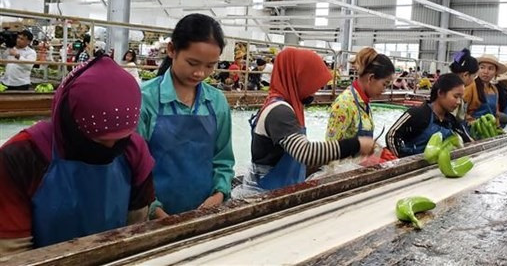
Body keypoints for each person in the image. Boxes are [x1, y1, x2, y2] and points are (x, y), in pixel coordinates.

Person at [0, 56, 155, 255]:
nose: (111, 148)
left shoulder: (134, 150)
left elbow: (136, 228)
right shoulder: (22, 157)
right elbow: (11, 252)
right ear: (69, 119)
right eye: (98, 140)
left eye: (121, 139)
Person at [232, 48, 375, 198]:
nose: (316, 90)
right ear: (299, 77)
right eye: (313, 83)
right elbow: (305, 152)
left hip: (280, 191)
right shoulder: (279, 112)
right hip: (261, 195)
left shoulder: (289, 106)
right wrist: (356, 145)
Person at [138, 14, 234, 218]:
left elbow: (223, 159)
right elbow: (134, 167)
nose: (200, 73)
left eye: (210, 66)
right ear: (172, 50)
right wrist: (155, 210)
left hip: (205, 213)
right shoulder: (145, 99)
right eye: (192, 63)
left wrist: (219, 194)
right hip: (152, 216)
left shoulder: (216, 102)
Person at [385, 73, 470, 157]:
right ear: (440, 93)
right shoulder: (418, 114)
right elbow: (391, 135)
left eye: (461, 98)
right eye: (456, 96)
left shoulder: (451, 121)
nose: (459, 102)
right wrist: (401, 160)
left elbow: (468, 142)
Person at [326, 47, 395, 141]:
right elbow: (331, 149)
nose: (384, 90)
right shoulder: (344, 104)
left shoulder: (364, 103)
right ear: (371, 78)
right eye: (384, 84)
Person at [463, 54, 507, 122]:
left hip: (491, 128)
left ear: (496, 72)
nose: (485, 72)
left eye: (490, 69)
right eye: (482, 67)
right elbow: (461, 112)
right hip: (473, 129)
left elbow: (496, 113)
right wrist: (473, 122)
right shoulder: (470, 87)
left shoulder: (494, 89)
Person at [448, 49, 478, 123]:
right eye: (474, 76)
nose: (473, 80)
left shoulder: (449, 86)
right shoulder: (454, 92)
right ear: (466, 75)